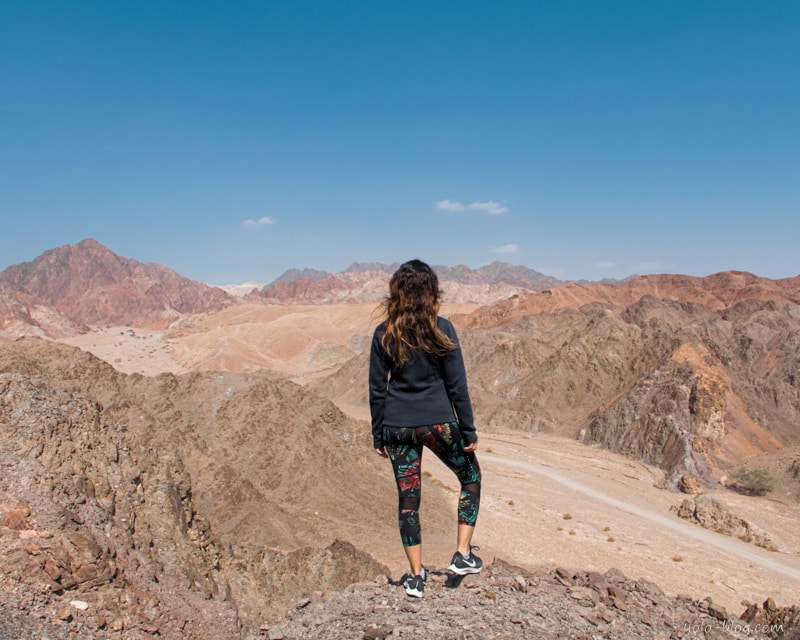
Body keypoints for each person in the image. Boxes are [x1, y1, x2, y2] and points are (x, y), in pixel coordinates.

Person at [369, 259, 482, 598]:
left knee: (408, 500)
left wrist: (378, 434)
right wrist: (469, 431)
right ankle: (462, 554)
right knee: (471, 478)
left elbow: (377, 389)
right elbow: (457, 386)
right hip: (438, 424)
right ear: (432, 292)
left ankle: (416, 577)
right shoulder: (442, 328)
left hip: (397, 427)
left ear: (396, 293)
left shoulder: (383, 332)